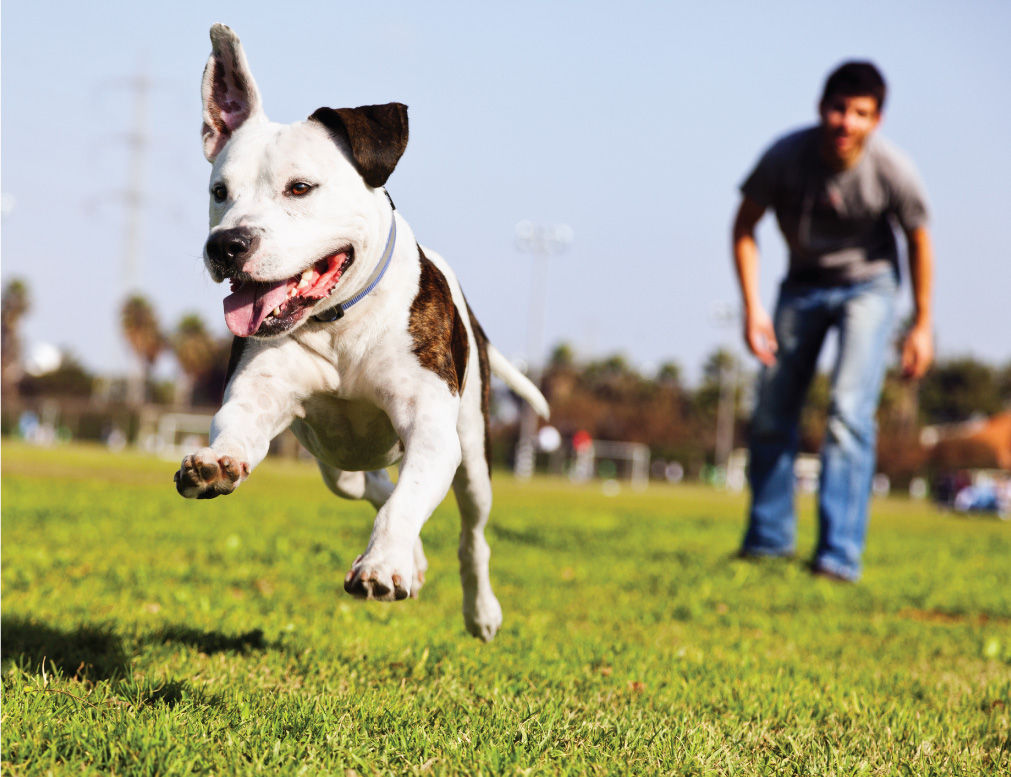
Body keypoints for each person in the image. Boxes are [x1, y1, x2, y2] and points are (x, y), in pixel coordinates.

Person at [731, 61, 934, 581]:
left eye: (860, 113)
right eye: (839, 109)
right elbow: (745, 227)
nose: (847, 122)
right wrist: (753, 307)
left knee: (848, 411)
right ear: (822, 108)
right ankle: (768, 542)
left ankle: (838, 556)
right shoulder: (785, 157)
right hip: (800, 286)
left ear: (877, 120)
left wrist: (922, 323)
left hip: (869, 288)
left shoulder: (892, 170)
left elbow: (918, 240)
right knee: (774, 409)